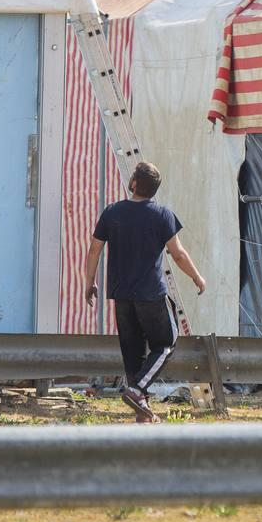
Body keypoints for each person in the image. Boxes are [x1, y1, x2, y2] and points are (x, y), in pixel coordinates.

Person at [83, 161, 206, 423]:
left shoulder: (112, 212)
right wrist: (196, 277)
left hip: (122, 295)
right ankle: (138, 391)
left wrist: (89, 282)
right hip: (150, 294)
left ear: (135, 184)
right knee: (166, 343)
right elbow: (178, 254)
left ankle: (142, 411)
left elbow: (94, 249)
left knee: (133, 352)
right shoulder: (162, 215)